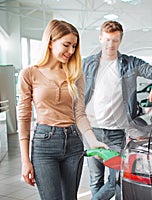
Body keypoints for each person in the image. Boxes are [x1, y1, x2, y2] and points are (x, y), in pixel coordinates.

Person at [17, 19, 108, 200]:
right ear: (50, 42)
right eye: (66, 45)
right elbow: (24, 118)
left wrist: (93, 140)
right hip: (44, 144)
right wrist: (25, 160)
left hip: (74, 141)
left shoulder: (75, 73)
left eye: (74, 46)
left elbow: (79, 113)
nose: (71, 51)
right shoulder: (29, 73)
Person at [82, 20, 152, 200]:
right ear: (100, 38)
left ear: (120, 41)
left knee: (116, 181)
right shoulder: (87, 64)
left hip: (117, 133)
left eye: (115, 40)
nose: (110, 44)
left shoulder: (130, 64)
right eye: (107, 40)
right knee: (95, 179)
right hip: (92, 130)